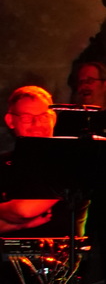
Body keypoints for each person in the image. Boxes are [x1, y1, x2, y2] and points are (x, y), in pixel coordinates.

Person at [0, 85, 61, 233]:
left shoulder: (68, 159)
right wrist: (17, 225)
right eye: (27, 118)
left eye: (44, 117)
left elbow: (24, 211)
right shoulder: (3, 163)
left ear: (53, 119)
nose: (37, 124)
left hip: (62, 246)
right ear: (10, 121)